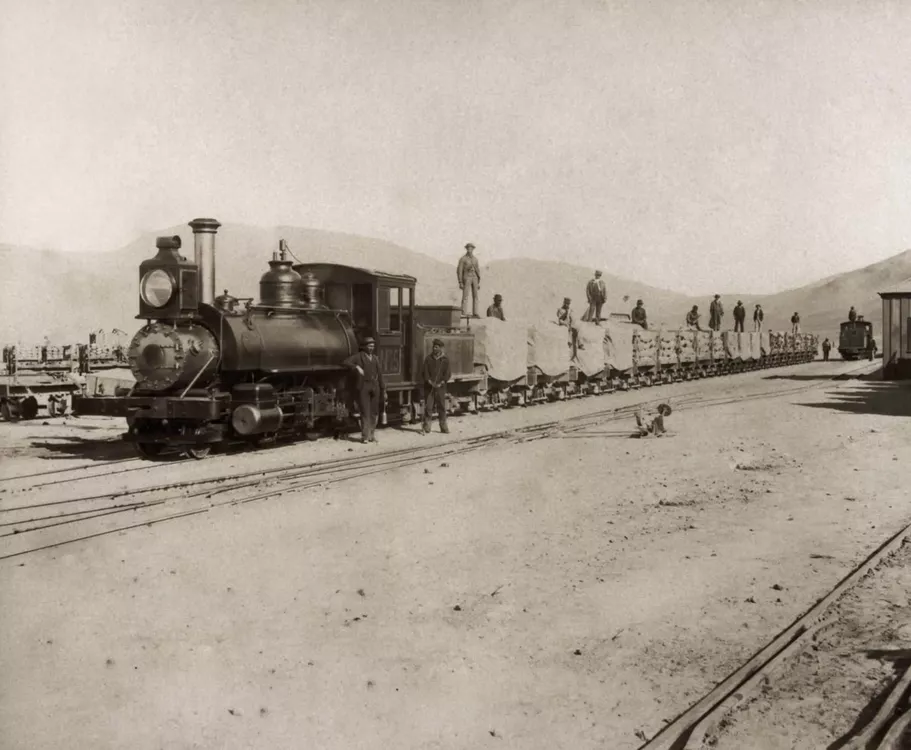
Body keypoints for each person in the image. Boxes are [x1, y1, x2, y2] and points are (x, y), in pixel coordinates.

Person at [343, 337, 385, 444]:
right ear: (365, 347)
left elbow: (380, 375)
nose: (371, 348)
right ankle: (365, 436)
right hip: (364, 386)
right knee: (365, 412)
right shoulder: (358, 357)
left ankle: (372, 435)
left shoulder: (375, 358)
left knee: (374, 412)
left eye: (373, 346)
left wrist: (383, 389)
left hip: (375, 386)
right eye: (369, 346)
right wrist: (356, 367)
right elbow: (345, 362)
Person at [421, 338, 451, 434]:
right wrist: (430, 382)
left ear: (441, 348)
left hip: (440, 388)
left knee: (441, 407)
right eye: (434, 347)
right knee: (428, 407)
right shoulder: (428, 359)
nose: (435, 349)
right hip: (429, 387)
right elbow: (425, 372)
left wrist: (441, 382)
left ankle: (443, 427)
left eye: (437, 347)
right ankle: (427, 427)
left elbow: (447, 374)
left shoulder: (445, 360)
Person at [457, 243, 481, 318]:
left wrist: (478, 282)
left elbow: (478, 270)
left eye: (471, 248)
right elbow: (459, 271)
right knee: (465, 295)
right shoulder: (463, 259)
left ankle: (475, 312)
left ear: (473, 249)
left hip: (475, 278)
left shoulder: (475, 259)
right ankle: (464, 312)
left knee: (475, 296)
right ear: (466, 249)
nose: (469, 249)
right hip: (467, 277)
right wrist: (460, 282)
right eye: (468, 248)